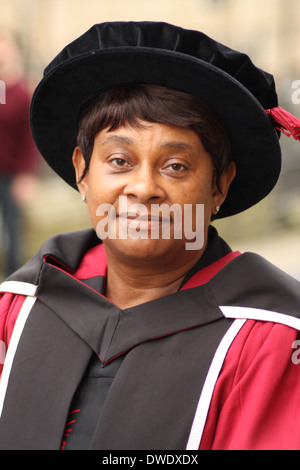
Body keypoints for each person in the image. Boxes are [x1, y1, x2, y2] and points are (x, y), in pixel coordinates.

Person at [0, 21, 299, 450]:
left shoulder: (273, 335)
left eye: (175, 166)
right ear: (82, 171)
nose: (143, 188)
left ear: (219, 185)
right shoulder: (21, 305)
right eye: (119, 160)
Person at [0, 32, 38, 277]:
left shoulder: (24, 91)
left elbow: (30, 137)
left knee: (13, 229)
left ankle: (12, 281)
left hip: (12, 174)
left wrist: (27, 175)